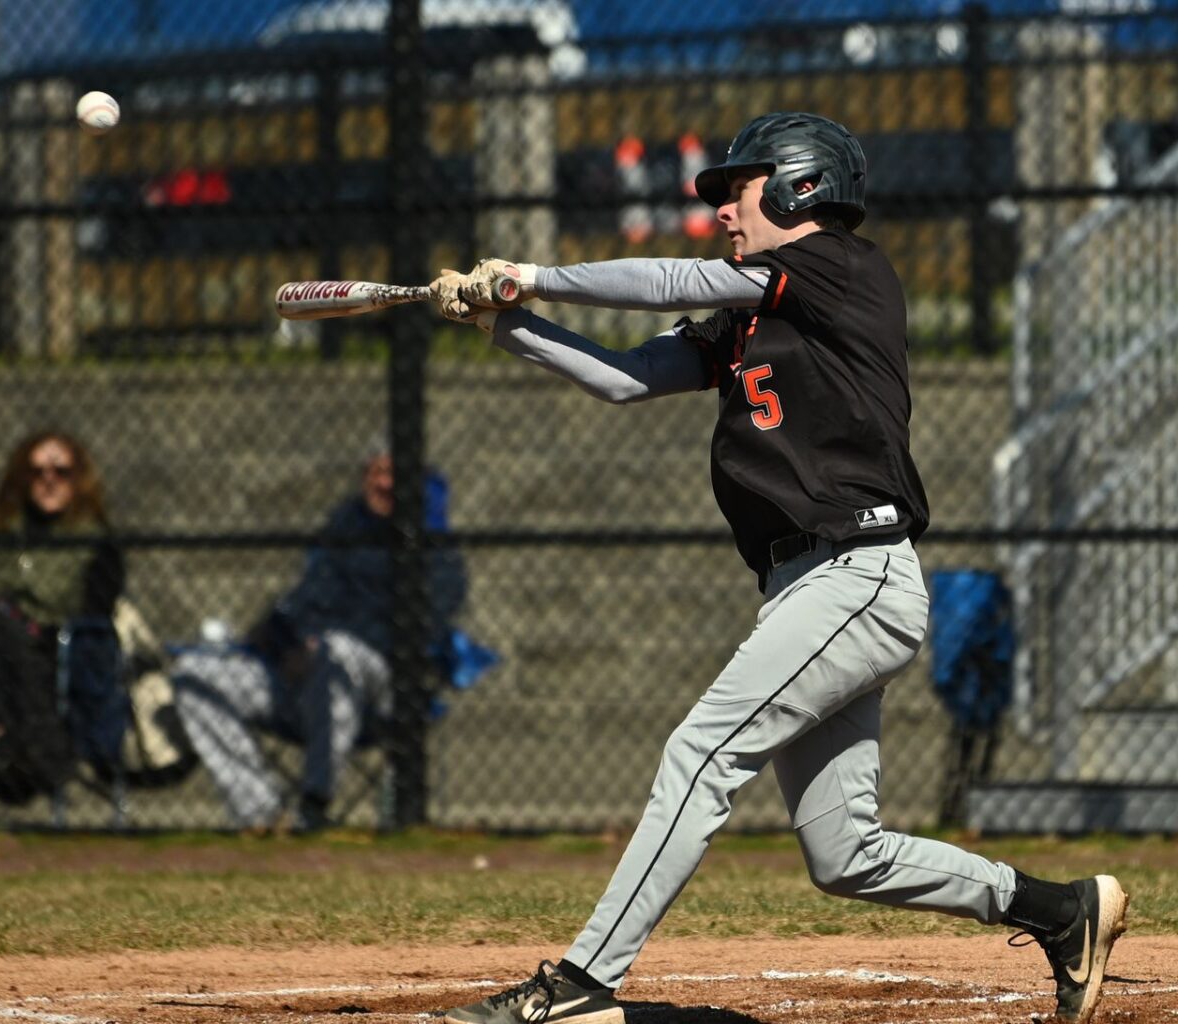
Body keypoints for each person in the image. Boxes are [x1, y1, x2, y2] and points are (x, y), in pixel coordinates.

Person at [427, 111, 1127, 1024]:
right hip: (808, 585)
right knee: (845, 853)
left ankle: (584, 981)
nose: (722, 208)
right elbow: (625, 376)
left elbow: (671, 279)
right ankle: (1061, 911)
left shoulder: (840, 264)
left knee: (702, 752)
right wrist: (507, 324)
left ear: (800, 184)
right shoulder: (757, 309)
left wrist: (536, 274)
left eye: (737, 190)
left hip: (857, 571)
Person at [169, 451, 467, 832]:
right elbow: (299, 606)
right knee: (194, 675)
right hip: (300, 676)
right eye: (375, 472)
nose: (383, 484)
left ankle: (314, 804)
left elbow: (418, 632)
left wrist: (321, 645)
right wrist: (284, 643)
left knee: (337, 652)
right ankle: (261, 812)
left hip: (381, 693)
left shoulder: (438, 552)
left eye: (395, 474)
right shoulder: (341, 531)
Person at [0, 431, 124, 804]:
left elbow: (96, 616)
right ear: (21, 477)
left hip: (52, 650)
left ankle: (7, 736)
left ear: (79, 477)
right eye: (37, 470)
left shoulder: (95, 540)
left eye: (61, 471)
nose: (49, 480)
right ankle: (39, 751)